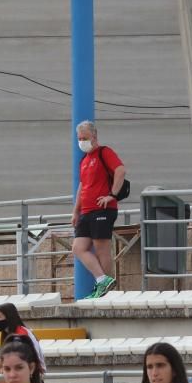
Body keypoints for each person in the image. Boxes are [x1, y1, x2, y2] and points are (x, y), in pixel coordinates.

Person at [71, 120, 127, 300]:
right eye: (79, 138)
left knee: (101, 248)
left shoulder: (104, 152)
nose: (82, 141)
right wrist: (76, 211)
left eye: (85, 138)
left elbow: (120, 171)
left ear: (94, 136)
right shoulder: (84, 160)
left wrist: (112, 194)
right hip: (86, 211)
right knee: (78, 248)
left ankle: (106, 290)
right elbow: (82, 186)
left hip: (102, 209)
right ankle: (102, 280)